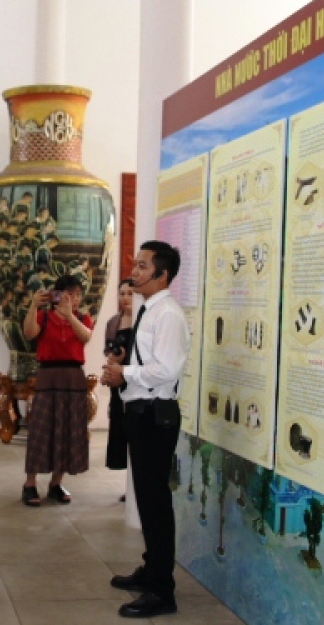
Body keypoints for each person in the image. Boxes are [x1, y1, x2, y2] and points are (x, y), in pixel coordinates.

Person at [100, 241, 190, 619]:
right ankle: (151, 569)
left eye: (142, 266)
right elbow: (150, 361)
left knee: (155, 504)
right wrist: (124, 363)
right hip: (139, 410)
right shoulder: (148, 310)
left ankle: (161, 590)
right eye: (135, 265)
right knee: (147, 497)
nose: (134, 271)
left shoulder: (166, 313)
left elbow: (166, 370)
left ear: (161, 274)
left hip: (155, 415)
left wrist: (126, 373)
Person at [20, 274, 93, 507]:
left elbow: (86, 336)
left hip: (73, 378)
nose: (74, 299)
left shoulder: (83, 318)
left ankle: (56, 483)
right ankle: (30, 484)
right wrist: (33, 305)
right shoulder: (44, 317)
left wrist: (69, 315)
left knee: (67, 430)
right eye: (69, 294)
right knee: (41, 430)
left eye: (78, 295)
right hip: (48, 375)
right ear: (58, 295)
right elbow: (29, 333)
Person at [103, 279, 134, 472]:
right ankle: (128, 488)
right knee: (119, 429)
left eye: (130, 293)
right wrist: (113, 360)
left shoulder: (142, 320)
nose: (125, 297)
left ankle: (134, 487)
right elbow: (108, 350)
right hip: (117, 382)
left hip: (136, 380)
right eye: (122, 293)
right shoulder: (113, 322)